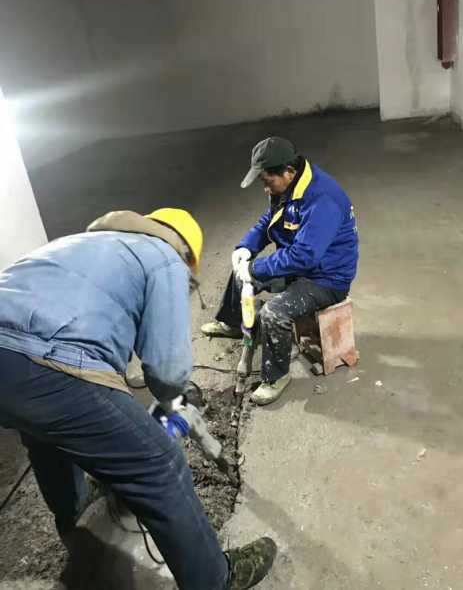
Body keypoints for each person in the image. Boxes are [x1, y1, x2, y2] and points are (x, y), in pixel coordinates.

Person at [0, 208, 276, 590]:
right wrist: (174, 400)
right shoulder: (164, 257)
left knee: (43, 436)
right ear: (185, 253)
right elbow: (167, 371)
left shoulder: (78, 242)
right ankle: (215, 579)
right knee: (161, 464)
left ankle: (74, 513)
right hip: (50, 362)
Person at [202, 137, 359, 406]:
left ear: (288, 171)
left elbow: (304, 256)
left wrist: (256, 268)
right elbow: (270, 220)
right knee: (240, 272)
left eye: (267, 181)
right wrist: (247, 248)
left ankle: (276, 377)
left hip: (326, 278)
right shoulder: (289, 187)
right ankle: (233, 323)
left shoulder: (323, 199)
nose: (265, 189)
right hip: (300, 265)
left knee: (274, 313)